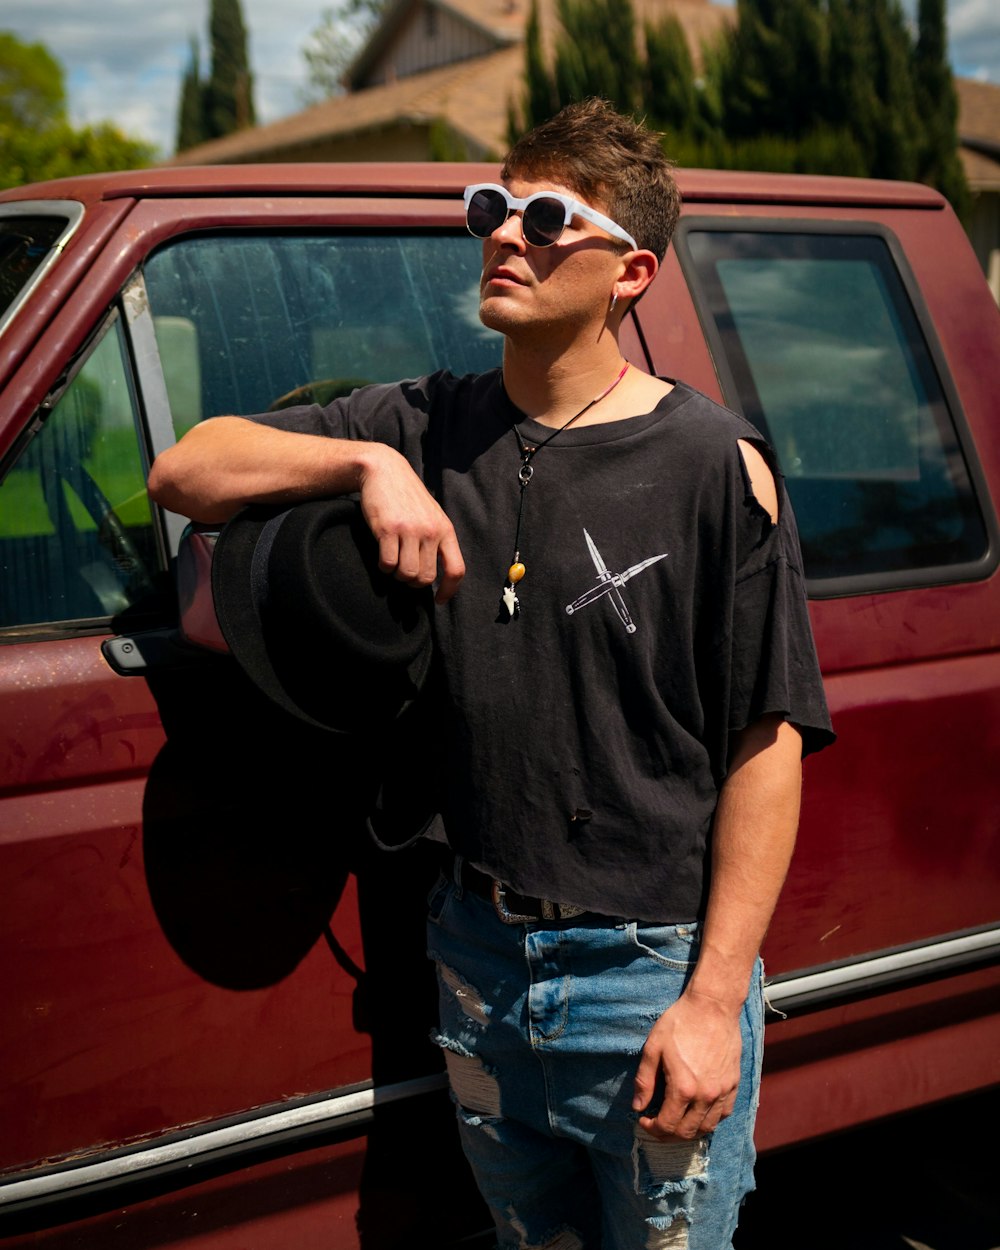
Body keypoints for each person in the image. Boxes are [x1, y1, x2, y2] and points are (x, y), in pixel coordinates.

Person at [149, 99, 833, 1250]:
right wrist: (362, 460)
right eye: (493, 208)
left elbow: (766, 746)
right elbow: (186, 467)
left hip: (647, 969)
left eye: (549, 217)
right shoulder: (427, 423)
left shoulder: (714, 466)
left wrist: (715, 1003)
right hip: (475, 953)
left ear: (633, 272)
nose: (506, 235)